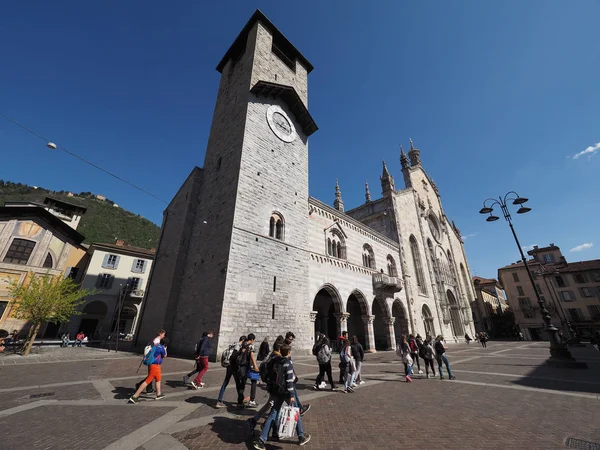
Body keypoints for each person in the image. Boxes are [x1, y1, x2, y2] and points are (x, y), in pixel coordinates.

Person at [252, 344, 311, 449]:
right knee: (295, 412)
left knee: (272, 414)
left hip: (277, 391)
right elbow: (289, 381)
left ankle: (261, 440)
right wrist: (292, 395)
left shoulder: (277, 361)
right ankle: (301, 436)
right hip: (286, 393)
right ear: (288, 353)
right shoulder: (288, 363)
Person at [247, 336, 285, 440]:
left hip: (272, 386)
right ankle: (268, 432)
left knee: (271, 406)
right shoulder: (277, 358)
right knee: (275, 409)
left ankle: (259, 423)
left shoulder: (272, 355)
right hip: (276, 387)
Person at [129, 337, 168, 403]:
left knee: (158, 379)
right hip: (155, 366)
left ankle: (158, 394)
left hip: (153, 365)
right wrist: (165, 349)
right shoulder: (161, 348)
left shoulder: (156, 345)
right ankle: (135, 396)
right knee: (148, 381)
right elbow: (165, 356)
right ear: (165, 344)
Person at [245, 333, 260, 408]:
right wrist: (255, 366)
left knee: (242, 382)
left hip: (244, 366)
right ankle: (252, 400)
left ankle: (240, 400)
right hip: (250, 366)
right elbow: (252, 356)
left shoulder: (244, 344)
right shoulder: (251, 345)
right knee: (254, 382)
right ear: (252, 339)